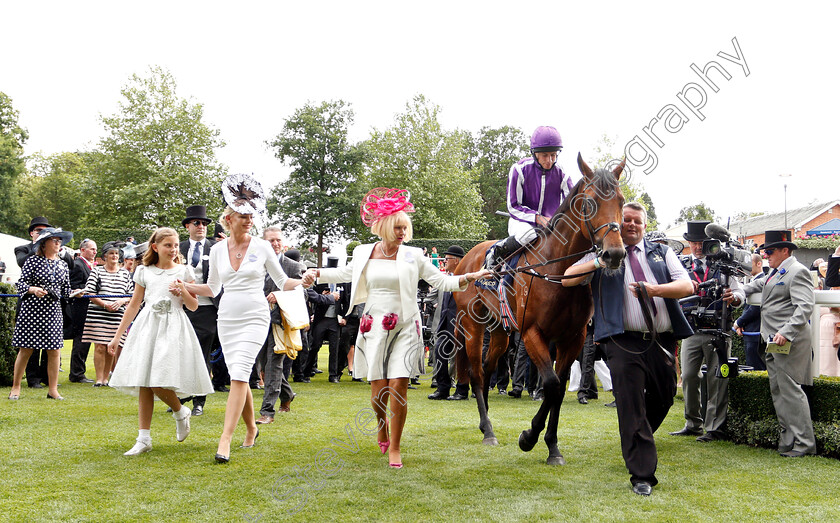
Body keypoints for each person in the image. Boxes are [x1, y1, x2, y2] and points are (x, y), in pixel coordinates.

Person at [304, 188, 490, 469]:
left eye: (406, 227)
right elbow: (345, 274)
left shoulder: (413, 255)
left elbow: (441, 281)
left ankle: (396, 447)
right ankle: (381, 428)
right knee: (378, 391)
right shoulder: (365, 252)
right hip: (373, 325)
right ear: (384, 227)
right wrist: (315, 273)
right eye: (398, 227)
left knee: (399, 386)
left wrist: (470, 277)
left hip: (405, 325)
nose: (403, 232)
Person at [562, 202, 694, 495]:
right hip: (622, 341)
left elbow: (687, 287)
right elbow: (567, 277)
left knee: (664, 397)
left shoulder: (662, 252)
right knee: (631, 405)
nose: (632, 225)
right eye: (627, 220)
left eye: (638, 221)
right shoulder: (602, 254)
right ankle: (642, 475)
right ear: (618, 224)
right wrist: (598, 263)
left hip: (661, 340)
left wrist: (654, 289)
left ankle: (636, 437)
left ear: (645, 226)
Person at [184, 173, 307, 464]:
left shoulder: (262, 247)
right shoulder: (216, 250)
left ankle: (225, 438)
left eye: (251, 215)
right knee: (239, 374)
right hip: (227, 317)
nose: (248, 219)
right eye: (242, 215)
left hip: (255, 315)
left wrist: (304, 281)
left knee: (239, 374)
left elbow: (281, 280)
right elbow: (213, 288)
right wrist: (184, 286)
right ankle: (252, 427)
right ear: (229, 219)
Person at [106, 228, 214, 455]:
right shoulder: (144, 271)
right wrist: (118, 336)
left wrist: (183, 290)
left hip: (174, 326)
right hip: (148, 326)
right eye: (168, 245)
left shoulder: (184, 270)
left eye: (175, 245)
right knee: (144, 379)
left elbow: (193, 306)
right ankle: (143, 437)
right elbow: (134, 305)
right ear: (155, 247)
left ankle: (179, 411)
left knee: (157, 377)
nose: (173, 250)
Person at [735, 230, 816, 457]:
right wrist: (738, 292)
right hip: (773, 341)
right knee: (779, 390)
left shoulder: (797, 271)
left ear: (785, 250)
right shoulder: (776, 272)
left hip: (788, 340)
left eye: (769, 251)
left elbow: (804, 307)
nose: (765, 255)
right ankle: (788, 440)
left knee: (790, 391)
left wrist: (787, 332)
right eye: (764, 251)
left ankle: (804, 443)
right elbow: (758, 286)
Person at [670, 221, 744, 442]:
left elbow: (740, 292)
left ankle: (715, 428)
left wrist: (736, 298)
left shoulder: (723, 265)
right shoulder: (680, 266)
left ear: (710, 243)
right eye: (693, 242)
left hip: (718, 330)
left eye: (701, 243)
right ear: (688, 244)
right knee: (689, 376)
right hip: (691, 329)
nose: (697, 247)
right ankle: (693, 423)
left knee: (717, 380)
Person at [485, 125, 574, 268]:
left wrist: (558, 220)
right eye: (545, 155)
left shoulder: (563, 174)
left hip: (551, 223)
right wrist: (538, 218)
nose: (549, 160)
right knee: (529, 235)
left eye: (553, 155)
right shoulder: (519, 169)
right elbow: (513, 206)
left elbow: (571, 204)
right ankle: (497, 252)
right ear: (535, 154)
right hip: (522, 221)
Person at [8, 228, 73, 400]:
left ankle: (53, 390)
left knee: (54, 351)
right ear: (44, 244)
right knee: (26, 349)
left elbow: (66, 289)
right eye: (54, 240)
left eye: (60, 240)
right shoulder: (32, 261)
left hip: (53, 311)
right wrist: (33, 289)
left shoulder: (63, 264)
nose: (58, 243)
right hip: (32, 310)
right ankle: (15, 387)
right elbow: (20, 284)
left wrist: (73, 293)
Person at [255, 226, 306, 424]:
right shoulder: (256, 264)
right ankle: (287, 394)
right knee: (265, 366)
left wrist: (279, 296)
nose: (275, 244)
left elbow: (302, 293)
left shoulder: (293, 266)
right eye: (271, 241)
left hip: (281, 322)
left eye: (278, 240)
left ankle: (267, 412)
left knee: (274, 366)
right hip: (258, 320)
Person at [178, 205, 218, 416]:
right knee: (182, 353)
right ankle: (181, 397)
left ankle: (199, 401)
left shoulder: (216, 249)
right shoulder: (178, 248)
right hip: (182, 308)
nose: (201, 226)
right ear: (188, 226)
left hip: (208, 308)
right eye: (197, 223)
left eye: (204, 223)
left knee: (203, 354)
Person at [81, 241, 133, 386]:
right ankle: (99, 379)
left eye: (116, 253)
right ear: (105, 256)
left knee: (112, 347)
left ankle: (106, 378)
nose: (114, 256)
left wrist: (121, 302)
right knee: (99, 346)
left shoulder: (125, 273)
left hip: (117, 315)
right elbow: (89, 293)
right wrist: (105, 304)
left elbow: (130, 294)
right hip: (98, 314)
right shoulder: (97, 271)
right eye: (111, 253)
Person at [428, 245, 467, 400]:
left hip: (461, 323)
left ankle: (462, 390)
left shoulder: (466, 278)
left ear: (456, 260)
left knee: (461, 357)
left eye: (447, 258)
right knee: (439, 351)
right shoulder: (447, 277)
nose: (444, 261)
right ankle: (443, 388)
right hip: (445, 323)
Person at [68, 238, 97, 383]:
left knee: (86, 341)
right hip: (81, 307)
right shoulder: (78, 265)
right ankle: (76, 373)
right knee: (81, 340)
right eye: (92, 249)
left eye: (95, 249)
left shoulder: (92, 266)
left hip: (89, 307)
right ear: (83, 250)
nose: (95, 252)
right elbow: (73, 285)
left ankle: (79, 372)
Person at [733, 253, 767, 370]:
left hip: (756, 331)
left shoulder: (762, 281)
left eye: (750, 264)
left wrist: (739, 322)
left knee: (755, 367)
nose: (746, 267)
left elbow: (755, 308)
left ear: (759, 264)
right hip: (750, 330)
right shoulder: (753, 281)